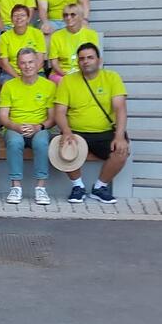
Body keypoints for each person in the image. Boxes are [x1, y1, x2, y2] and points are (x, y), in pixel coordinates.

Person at [54, 43, 129, 204]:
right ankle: (78, 186)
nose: (86, 61)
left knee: (122, 150)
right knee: (63, 145)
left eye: (90, 57)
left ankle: (100, 187)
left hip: (105, 131)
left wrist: (120, 136)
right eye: (81, 59)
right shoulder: (67, 81)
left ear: (99, 60)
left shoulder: (112, 77)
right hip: (76, 132)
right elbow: (59, 111)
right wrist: (66, 131)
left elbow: (120, 108)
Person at [0, 48, 56, 205]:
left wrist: (38, 127)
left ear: (38, 63)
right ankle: (15, 186)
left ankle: (41, 188)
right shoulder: (9, 86)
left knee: (41, 142)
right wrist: (16, 126)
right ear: (18, 65)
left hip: (39, 127)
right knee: (15, 142)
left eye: (31, 62)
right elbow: (3, 117)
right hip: (14, 127)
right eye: (23, 63)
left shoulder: (49, 86)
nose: (27, 66)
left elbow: (52, 118)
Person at [48, 4, 100, 84]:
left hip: (84, 72)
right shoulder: (56, 36)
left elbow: (94, 59)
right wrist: (66, 76)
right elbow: (54, 63)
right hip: (61, 74)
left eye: (73, 15)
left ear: (81, 16)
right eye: (65, 15)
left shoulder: (91, 34)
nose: (68, 18)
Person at [0, 5, 45, 83]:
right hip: (12, 73)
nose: (19, 18)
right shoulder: (4, 37)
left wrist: (30, 75)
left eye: (22, 15)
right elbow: (4, 63)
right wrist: (19, 78)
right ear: (11, 19)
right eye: (15, 15)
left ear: (28, 18)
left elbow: (40, 60)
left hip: (35, 71)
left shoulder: (37, 34)